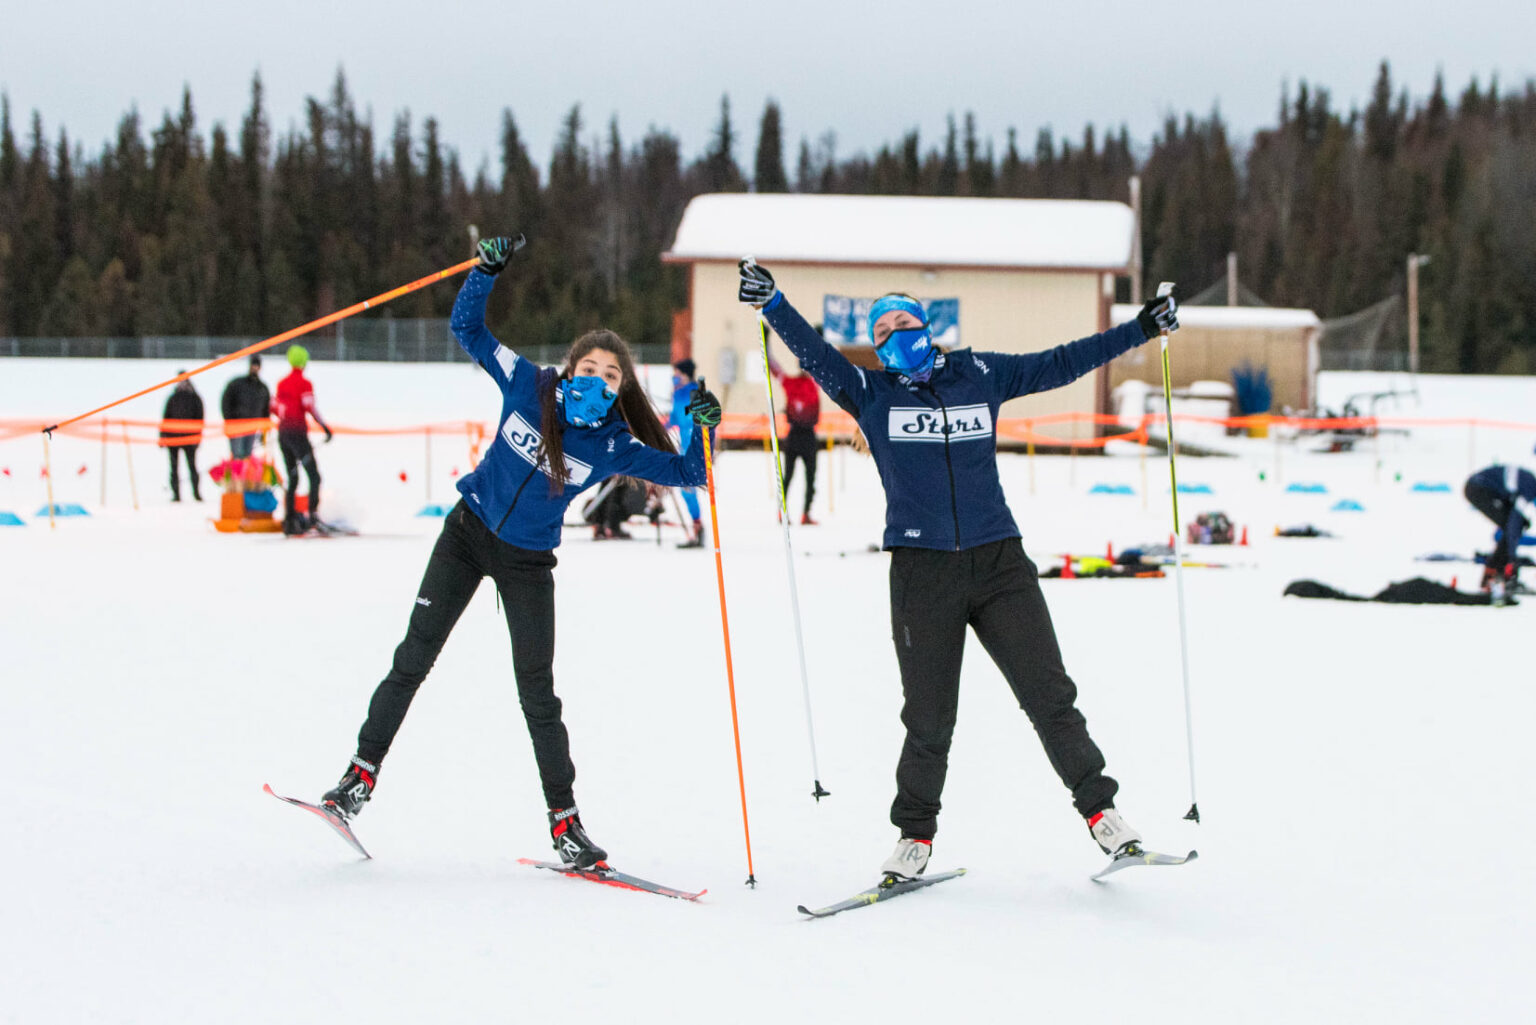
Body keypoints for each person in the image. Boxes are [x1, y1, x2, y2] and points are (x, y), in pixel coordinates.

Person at [738, 257, 1179, 879]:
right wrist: (772, 302)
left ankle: (1103, 816)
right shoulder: (870, 393)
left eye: (905, 320)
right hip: (922, 574)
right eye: (882, 328)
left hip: (999, 562)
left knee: (1050, 696)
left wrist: (1142, 329)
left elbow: (1060, 362)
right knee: (928, 717)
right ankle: (914, 838)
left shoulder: (978, 373)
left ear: (927, 325)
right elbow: (814, 354)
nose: (896, 332)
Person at [318, 235, 721, 870]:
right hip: (466, 535)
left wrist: (705, 421)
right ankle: (355, 782)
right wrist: (486, 270)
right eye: (591, 370)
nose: (599, 381)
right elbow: (466, 326)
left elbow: (693, 472)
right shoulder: (526, 382)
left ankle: (566, 826)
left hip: (528, 561)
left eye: (612, 376)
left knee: (538, 693)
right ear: (570, 368)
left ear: (621, 391)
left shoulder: (615, 445)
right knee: (413, 657)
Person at [271, 344, 332, 535]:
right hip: (298, 434)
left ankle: (289, 519)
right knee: (314, 476)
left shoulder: (282, 383)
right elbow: (310, 408)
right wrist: (325, 428)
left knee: (293, 477)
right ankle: (313, 516)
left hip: (283, 435)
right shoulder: (304, 384)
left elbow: (275, 408)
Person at [1464, 461, 1536, 603]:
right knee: (1510, 527)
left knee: (1511, 527)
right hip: (1478, 488)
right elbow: (1514, 520)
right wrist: (1512, 558)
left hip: (1479, 486)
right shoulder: (1530, 487)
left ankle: (1494, 575)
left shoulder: (1528, 482)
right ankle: (1503, 576)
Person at [768, 346, 822, 525]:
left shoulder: (791, 383)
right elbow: (822, 364)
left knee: (789, 477)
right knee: (808, 477)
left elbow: (774, 368)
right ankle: (802, 513)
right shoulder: (814, 382)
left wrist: (767, 345)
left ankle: (786, 512)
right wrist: (819, 343)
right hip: (805, 435)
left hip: (795, 435)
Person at [668, 358, 706, 547]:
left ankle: (698, 530)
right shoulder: (686, 392)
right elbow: (674, 419)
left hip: (692, 447)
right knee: (686, 490)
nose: (674, 377)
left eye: (677, 373)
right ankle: (697, 528)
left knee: (688, 489)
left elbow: (680, 417)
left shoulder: (689, 393)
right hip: (687, 446)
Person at [159, 375, 204, 502]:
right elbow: (166, 417)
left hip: (189, 439)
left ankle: (196, 493)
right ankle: (176, 494)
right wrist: (162, 437)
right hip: (173, 438)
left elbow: (200, 418)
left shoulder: (195, 398)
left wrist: (197, 437)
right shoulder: (173, 398)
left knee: (192, 466)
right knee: (174, 467)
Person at [221, 355, 271, 458]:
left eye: (257, 365)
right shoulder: (237, 384)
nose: (255, 368)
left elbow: (266, 409)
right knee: (237, 456)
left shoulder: (262, 388)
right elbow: (226, 402)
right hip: (237, 427)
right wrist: (229, 421)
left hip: (253, 428)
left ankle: (245, 474)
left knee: (248, 456)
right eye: (253, 365)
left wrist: (264, 428)